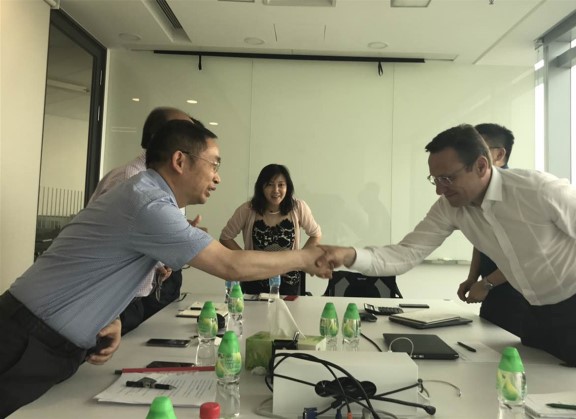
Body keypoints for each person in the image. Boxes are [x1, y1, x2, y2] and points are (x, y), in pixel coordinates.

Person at [0, 120, 330, 417]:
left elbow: (107, 263)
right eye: (214, 164)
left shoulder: (148, 197)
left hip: (49, 340)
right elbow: (230, 264)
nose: (218, 177)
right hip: (26, 339)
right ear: (180, 160)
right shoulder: (148, 203)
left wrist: (108, 315)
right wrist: (306, 257)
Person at [319, 123, 576, 378]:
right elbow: (405, 254)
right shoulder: (450, 207)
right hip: (535, 306)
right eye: (434, 179)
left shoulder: (539, 191)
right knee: (531, 381)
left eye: (448, 178)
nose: (440, 189)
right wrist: (348, 255)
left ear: (482, 165)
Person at [89, 107, 202, 334]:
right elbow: (228, 264)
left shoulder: (162, 181)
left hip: (142, 292)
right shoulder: (133, 180)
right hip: (114, 301)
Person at [456, 123, 528, 337]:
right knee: (487, 345)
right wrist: (473, 277)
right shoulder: (479, 192)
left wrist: (487, 283)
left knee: (513, 352)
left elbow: (523, 254)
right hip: (492, 288)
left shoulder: (513, 193)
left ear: (499, 155)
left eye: (476, 150)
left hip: (517, 291)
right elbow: (480, 240)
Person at [220, 164, 321, 295]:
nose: (276, 190)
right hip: (254, 278)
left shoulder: (298, 207)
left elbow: (316, 234)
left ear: (287, 187)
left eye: (281, 185)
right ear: (261, 187)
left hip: (288, 280)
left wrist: (299, 259)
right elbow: (225, 237)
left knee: (286, 309)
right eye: (270, 184)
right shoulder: (247, 209)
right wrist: (247, 260)